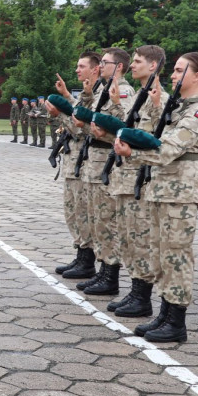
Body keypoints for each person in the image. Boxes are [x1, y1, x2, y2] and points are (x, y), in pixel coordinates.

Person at [114, 52, 198, 342]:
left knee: (176, 256)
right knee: (161, 254)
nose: (173, 75)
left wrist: (132, 153)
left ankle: (176, 322)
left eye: (181, 70)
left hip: (180, 194)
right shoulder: (182, 108)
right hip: (163, 189)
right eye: (174, 70)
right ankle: (164, 312)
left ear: (197, 76)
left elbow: (168, 150)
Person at [93, 46, 167, 318]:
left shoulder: (159, 99)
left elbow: (151, 138)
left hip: (141, 179)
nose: (133, 65)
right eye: (133, 61)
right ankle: (136, 291)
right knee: (127, 237)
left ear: (154, 65)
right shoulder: (138, 96)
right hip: (126, 177)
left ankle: (143, 296)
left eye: (138, 61)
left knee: (140, 238)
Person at [74, 50, 130, 297]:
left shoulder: (123, 91)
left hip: (107, 161)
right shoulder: (105, 90)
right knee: (98, 220)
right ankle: (103, 271)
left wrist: (98, 131)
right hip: (95, 160)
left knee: (107, 221)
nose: (101, 67)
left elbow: (127, 126)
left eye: (105, 63)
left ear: (118, 66)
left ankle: (111, 276)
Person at [50, 54, 100, 278]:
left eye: (82, 66)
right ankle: (81, 255)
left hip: (85, 161)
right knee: (74, 212)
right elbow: (78, 111)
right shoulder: (87, 93)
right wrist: (68, 96)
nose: (78, 70)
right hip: (77, 162)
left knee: (81, 213)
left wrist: (60, 113)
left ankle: (87, 260)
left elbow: (79, 127)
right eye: (77, 65)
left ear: (94, 69)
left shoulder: (98, 93)